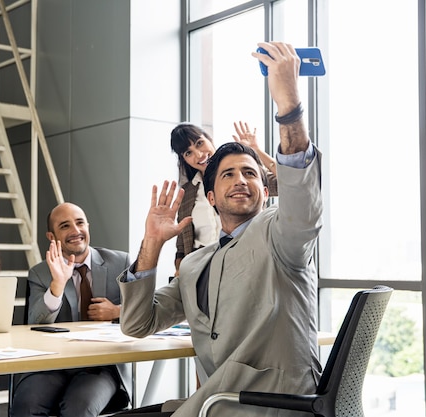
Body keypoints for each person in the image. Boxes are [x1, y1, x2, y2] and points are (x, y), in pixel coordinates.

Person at [114, 41, 323, 417]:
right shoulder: (196, 264)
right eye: (228, 174)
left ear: (265, 188)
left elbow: (302, 203)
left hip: (268, 404)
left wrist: (289, 108)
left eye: (250, 173)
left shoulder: (281, 237)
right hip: (216, 399)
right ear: (210, 196)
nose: (241, 179)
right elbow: (136, 324)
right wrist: (151, 244)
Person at [10, 202, 132, 417]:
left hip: (101, 366)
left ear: (88, 225)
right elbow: (34, 323)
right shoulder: (40, 273)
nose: (75, 231)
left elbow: (144, 309)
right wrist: (57, 285)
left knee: (78, 408)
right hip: (51, 363)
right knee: (26, 405)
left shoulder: (120, 262)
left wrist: (117, 311)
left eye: (79, 223)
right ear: (51, 236)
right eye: (65, 226)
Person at [170, 120, 278, 276]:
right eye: (188, 153)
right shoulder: (186, 193)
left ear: (209, 139)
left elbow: (290, 182)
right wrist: (181, 271)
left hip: (247, 262)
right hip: (201, 271)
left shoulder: (243, 178)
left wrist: (256, 151)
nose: (199, 155)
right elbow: (181, 247)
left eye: (200, 143)